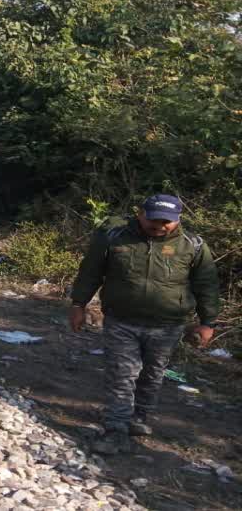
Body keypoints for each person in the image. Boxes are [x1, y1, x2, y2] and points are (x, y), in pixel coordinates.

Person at [69, 194, 220, 455]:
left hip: (167, 326)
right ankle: (116, 429)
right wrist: (78, 305)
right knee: (122, 374)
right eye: (154, 220)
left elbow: (206, 285)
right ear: (140, 214)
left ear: (178, 220)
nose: (159, 226)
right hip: (121, 321)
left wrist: (208, 322)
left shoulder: (192, 246)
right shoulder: (115, 237)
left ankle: (138, 417)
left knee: (152, 374)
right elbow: (90, 272)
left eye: (166, 222)